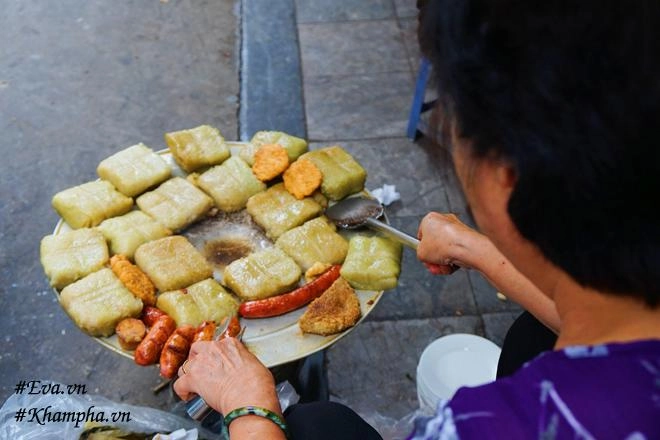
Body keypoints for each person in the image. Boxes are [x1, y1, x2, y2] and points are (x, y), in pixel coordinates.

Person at [174, 0, 660, 438]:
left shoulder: (488, 429)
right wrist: (478, 250)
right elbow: (588, 312)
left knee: (305, 425)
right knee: (324, 420)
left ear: (507, 172)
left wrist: (248, 409)